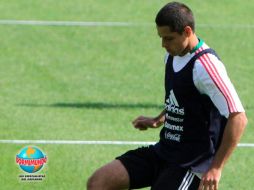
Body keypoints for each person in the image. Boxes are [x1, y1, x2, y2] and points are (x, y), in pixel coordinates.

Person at [87, 1, 247, 190]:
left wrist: (216, 168)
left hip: (191, 164)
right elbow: (182, 98)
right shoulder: (172, 55)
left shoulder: (206, 66)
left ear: (187, 31)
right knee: (99, 182)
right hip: (164, 152)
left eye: (169, 38)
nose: (163, 44)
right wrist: (158, 119)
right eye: (161, 38)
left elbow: (238, 118)